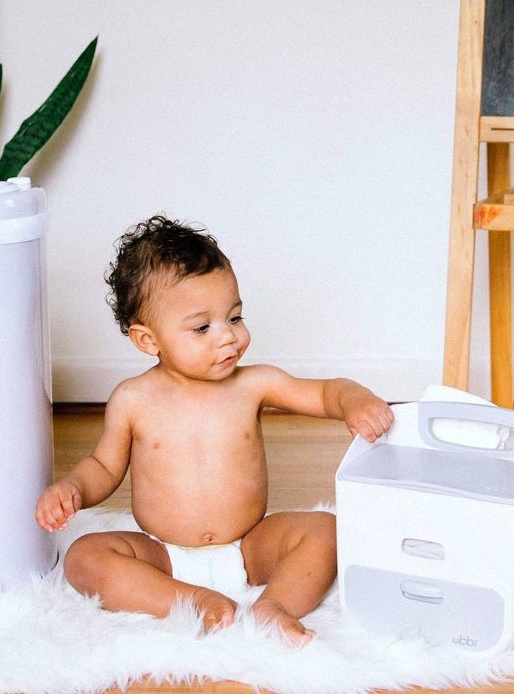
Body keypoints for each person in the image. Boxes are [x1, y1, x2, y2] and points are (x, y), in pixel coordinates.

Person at [35, 215, 394, 646]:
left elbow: (322, 393)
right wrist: (73, 488)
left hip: (248, 546)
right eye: (203, 327)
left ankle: (274, 606)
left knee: (326, 530)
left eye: (235, 317)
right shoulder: (133, 399)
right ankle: (190, 600)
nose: (228, 337)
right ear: (149, 340)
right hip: (163, 554)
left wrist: (353, 400)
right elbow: (103, 466)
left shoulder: (254, 383)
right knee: (84, 557)